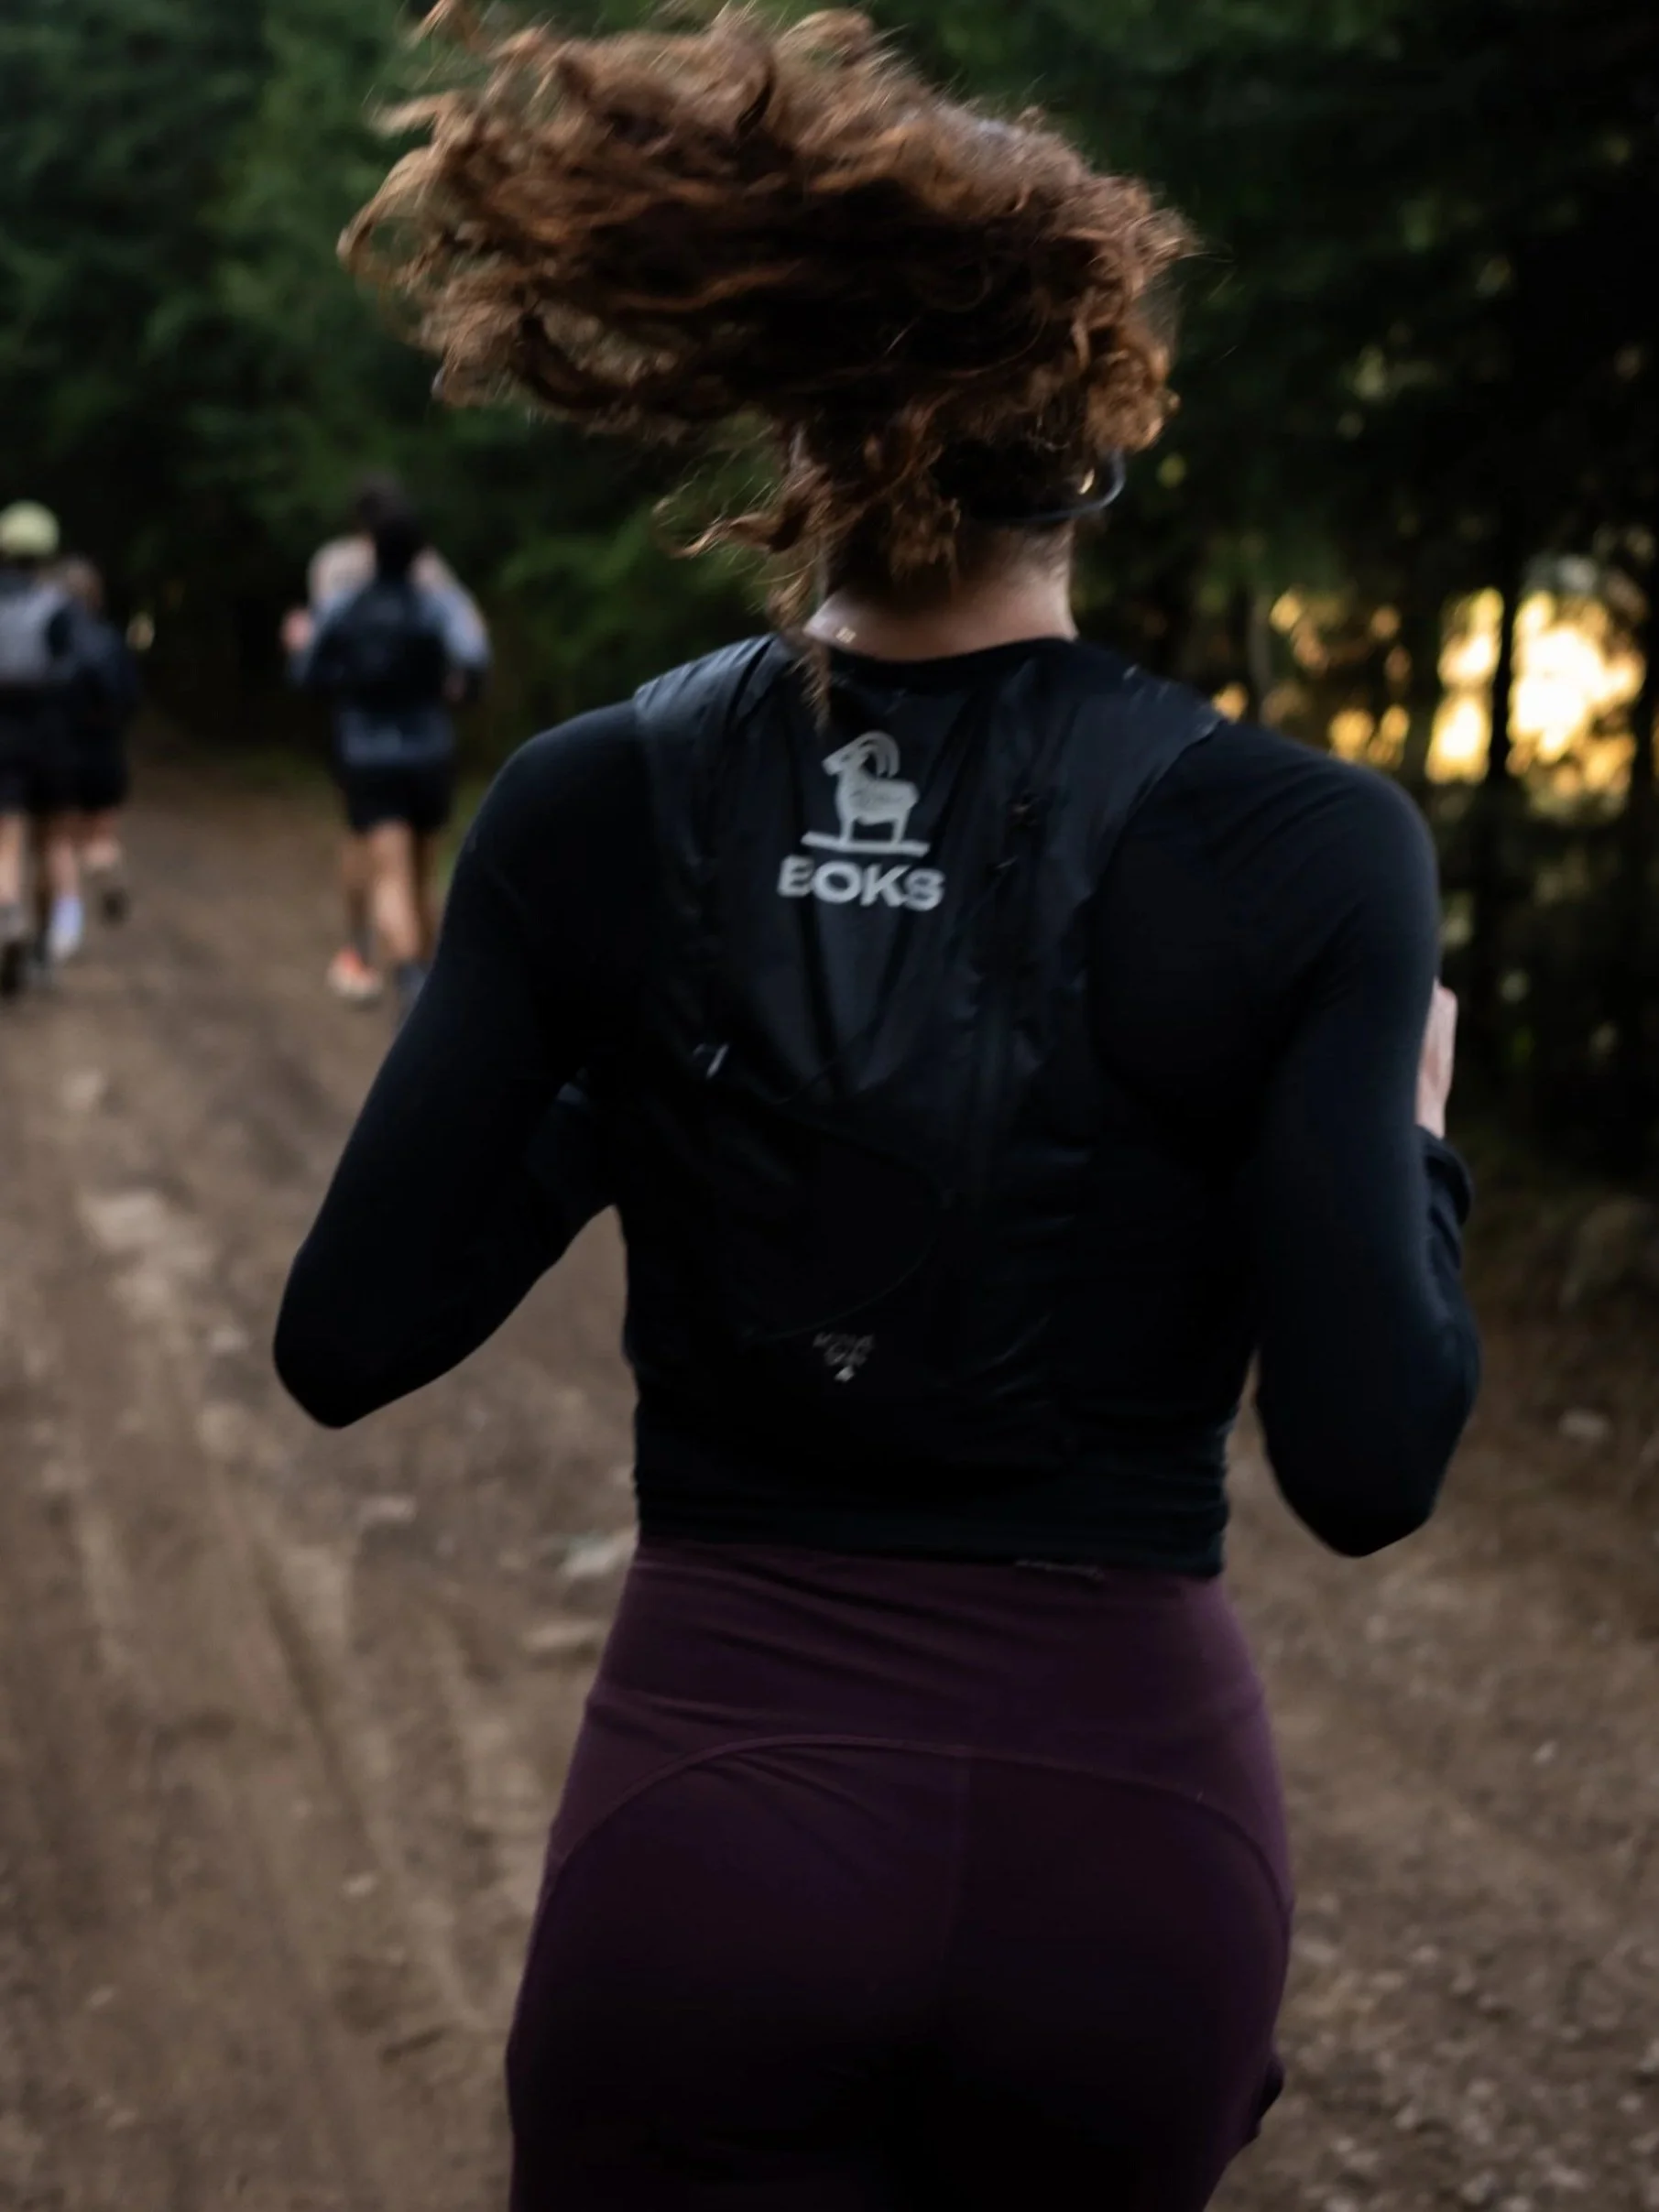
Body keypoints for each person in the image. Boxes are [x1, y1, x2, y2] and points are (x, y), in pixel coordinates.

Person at [276, 13, 1481, 2208]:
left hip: (714, 1825)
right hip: (1126, 1851)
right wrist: (1406, 1146)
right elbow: (1364, 1468)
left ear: (797, 417)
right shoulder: (1303, 847)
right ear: (1096, 447)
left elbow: (345, 1340)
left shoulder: (589, 804)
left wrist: (649, 1068)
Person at [289, 495, 491, 1022]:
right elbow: (474, 660)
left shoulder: (345, 606)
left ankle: (411, 984)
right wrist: (454, 691)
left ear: (372, 549)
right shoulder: (438, 605)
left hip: (368, 754)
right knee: (425, 876)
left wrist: (346, 682)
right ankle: (435, 993)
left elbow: (307, 673)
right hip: (430, 750)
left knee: (389, 876)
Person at [0, 501, 83, 998]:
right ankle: (41, 949)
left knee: (6, 840)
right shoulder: (59, 608)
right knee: (52, 843)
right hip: (50, 736)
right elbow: (77, 672)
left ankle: (7, 914)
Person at [54, 555, 142, 927]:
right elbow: (131, 699)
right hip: (106, 754)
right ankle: (107, 869)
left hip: (62, 754)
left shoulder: (53, 641)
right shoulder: (112, 640)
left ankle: (67, 920)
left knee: (61, 840)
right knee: (100, 836)